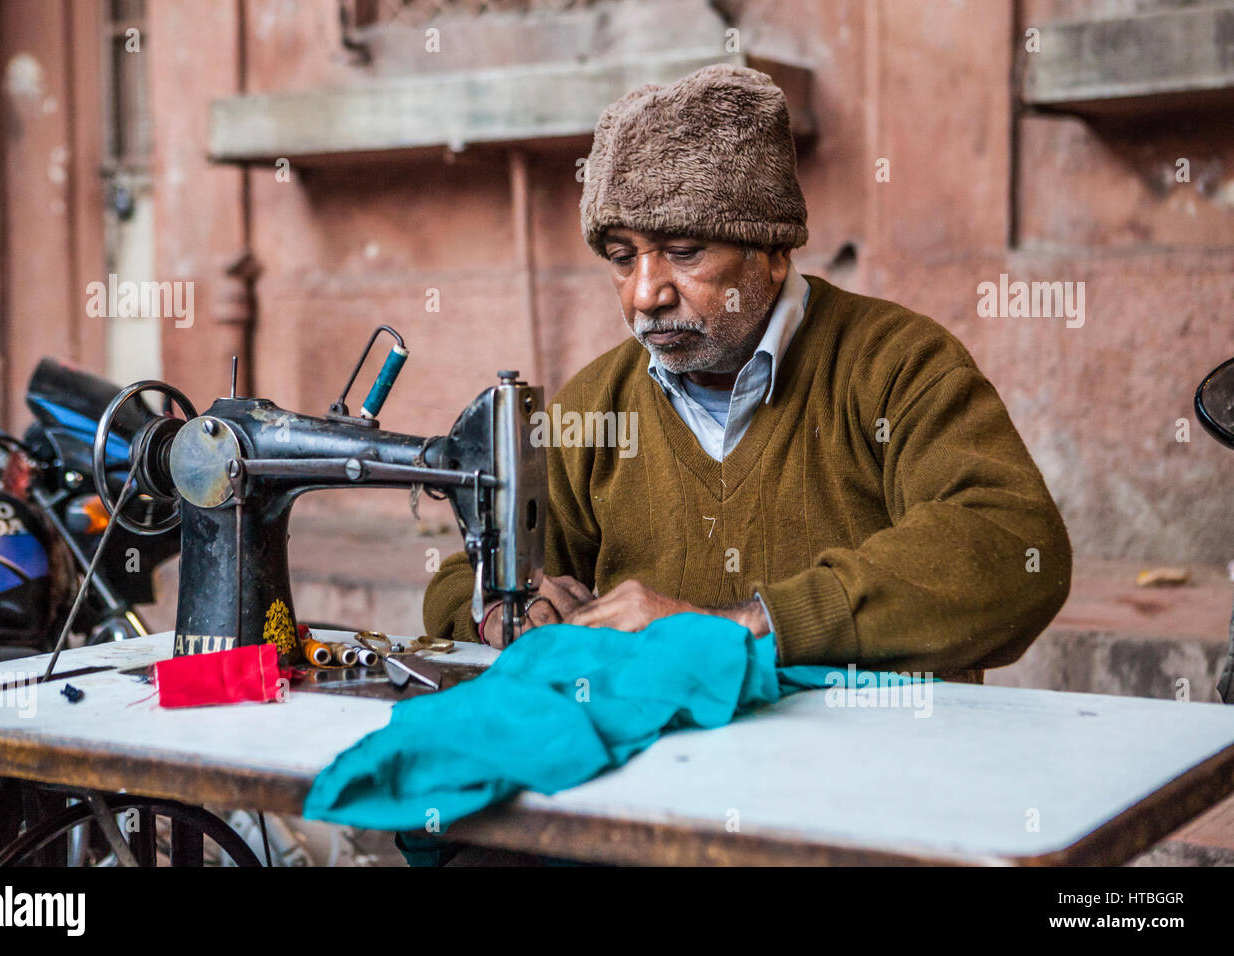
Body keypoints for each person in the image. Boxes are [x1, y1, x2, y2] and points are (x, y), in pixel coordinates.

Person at [423, 63, 1071, 680]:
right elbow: (461, 582)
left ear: (774, 252)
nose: (646, 292)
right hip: (676, 778)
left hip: (874, 769)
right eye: (623, 258)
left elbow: (1014, 547)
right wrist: (500, 616)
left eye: (683, 250)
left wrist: (751, 626)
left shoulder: (897, 365)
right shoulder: (596, 410)